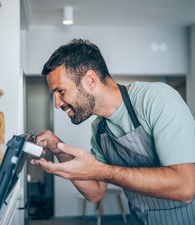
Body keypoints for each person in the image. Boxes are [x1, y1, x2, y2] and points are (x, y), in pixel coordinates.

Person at [31, 39, 195, 225]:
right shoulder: (100, 129)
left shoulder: (156, 99)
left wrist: (103, 171)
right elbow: (96, 193)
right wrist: (60, 152)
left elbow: (186, 186)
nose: (57, 103)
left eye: (60, 91)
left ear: (90, 80)